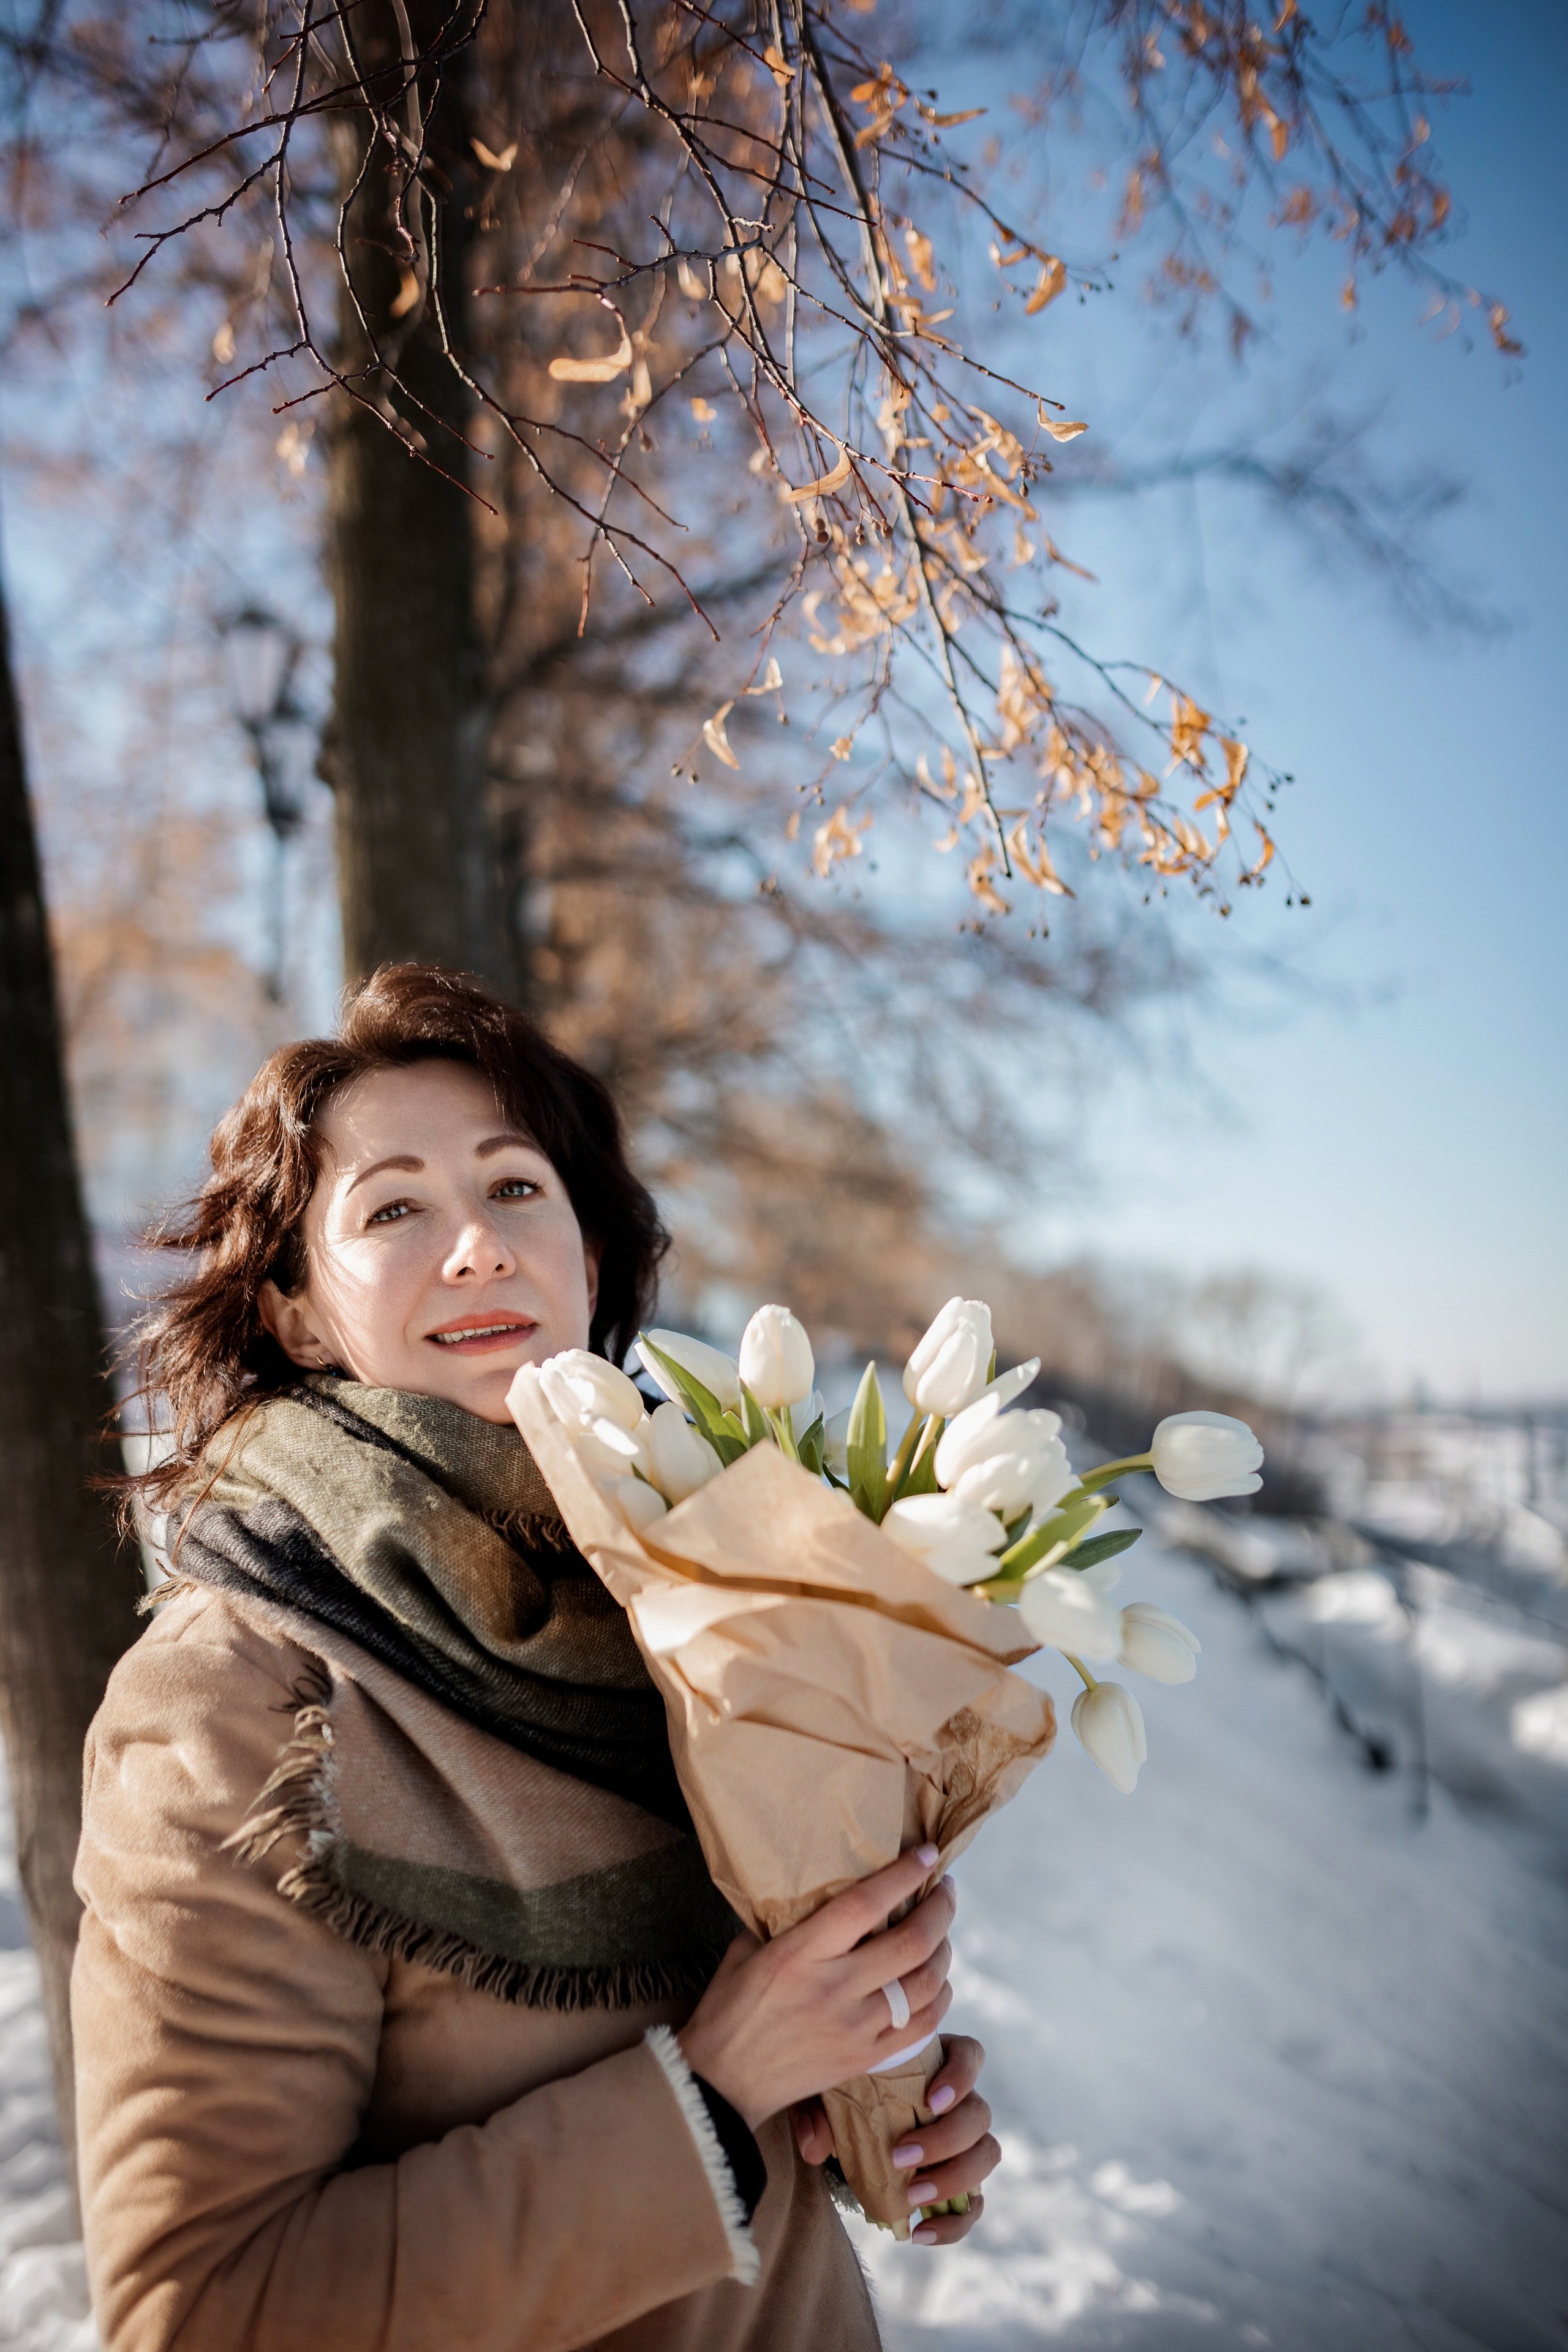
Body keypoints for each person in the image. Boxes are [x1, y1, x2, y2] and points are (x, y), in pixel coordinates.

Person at [74, 963, 1000, 2351]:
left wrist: (872, 2103)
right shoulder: (237, 1700)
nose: (478, 1244)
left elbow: (757, 2165)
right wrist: (711, 2092)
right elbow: (205, 2311)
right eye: (394, 1208)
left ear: (586, 1251)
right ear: (296, 1315)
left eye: (516, 1187)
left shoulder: (709, 1602)